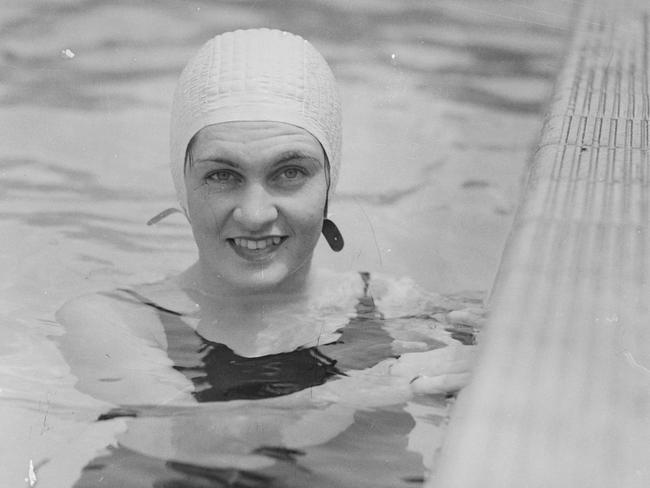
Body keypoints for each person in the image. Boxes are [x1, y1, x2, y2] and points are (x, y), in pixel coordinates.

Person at [56, 28, 485, 487]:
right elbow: (192, 433)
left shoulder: (392, 310)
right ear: (183, 188)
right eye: (222, 175)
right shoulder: (116, 319)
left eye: (290, 172)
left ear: (328, 185)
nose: (256, 213)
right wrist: (376, 386)